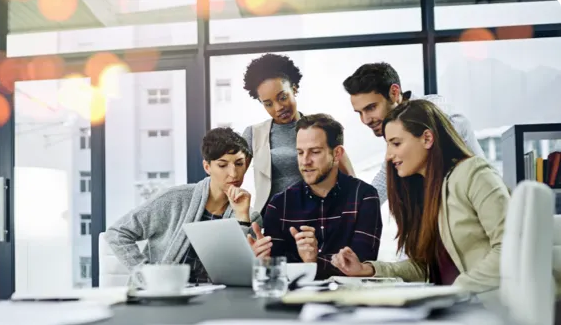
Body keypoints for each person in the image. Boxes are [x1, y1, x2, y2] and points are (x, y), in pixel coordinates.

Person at [331, 99, 508, 297]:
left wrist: (459, 289)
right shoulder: (424, 192)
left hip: (486, 310)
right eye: (388, 145)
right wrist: (368, 270)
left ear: (427, 138)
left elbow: (510, 249)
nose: (389, 155)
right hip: (451, 308)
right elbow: (425, 268)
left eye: (396, 143)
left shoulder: (474, 173)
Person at [105, 127, 262, 286]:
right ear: (207, 167)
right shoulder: (174, 199)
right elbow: (117, 233)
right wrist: (146, 276)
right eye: (222, 165)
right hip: (164, 296)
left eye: (239, 164)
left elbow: (239, 273)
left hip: (216, 300)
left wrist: (242, 217)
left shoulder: (251, 216)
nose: (234, 174)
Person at [247, 113, 382, 280]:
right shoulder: (279, 205)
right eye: (300, 152)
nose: (305, 161)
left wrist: (312, 262)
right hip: (292, 302)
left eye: (315, 152)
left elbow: (361, 265)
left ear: (337, 154)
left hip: (348, 300)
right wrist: (264, 261)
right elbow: (277, 270)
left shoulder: (364, 196)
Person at [343, 62, 485, 205]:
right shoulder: (397, 125)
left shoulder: (436, 113)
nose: (365, 120)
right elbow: (385, 178)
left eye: (371, 108)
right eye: (359, 113)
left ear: (394, 93)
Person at [243, 53, 356, 215]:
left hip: (316, 219)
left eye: (282, 97)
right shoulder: (254, 134)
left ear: (294, 89)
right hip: (271, 222)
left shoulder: (320, 128)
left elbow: (350, 179)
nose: (278, 107)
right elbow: (229, 178)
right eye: (268, 104)